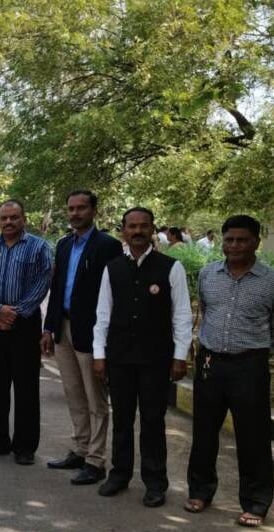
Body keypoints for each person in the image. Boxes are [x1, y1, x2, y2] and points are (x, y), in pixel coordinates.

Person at [185, 215, 274, 528]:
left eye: (242, 240)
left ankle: (256, 503)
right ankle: (200, 492)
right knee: (204, 432)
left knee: (253, 436)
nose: (235, 245)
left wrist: (260, 354)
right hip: (210, 363)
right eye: (230, 239)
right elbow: (206, 311)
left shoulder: (273, 282)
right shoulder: (208, 274)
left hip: (250, 366)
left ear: (256, 242)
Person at [92, 207, 193, 507]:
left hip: (155, 358)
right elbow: (103, 314)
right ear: (123, 230)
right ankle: (119, 474)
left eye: (143, 226)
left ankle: (155, 482)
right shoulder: (112, 268)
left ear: (152, 229)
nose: (137, 231)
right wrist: (99, 355)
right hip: (120, 356)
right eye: (131, 226)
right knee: (122, 419)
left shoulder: (171, 267)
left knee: (153, 421)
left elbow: (182, 315)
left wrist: (179, 355)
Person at [41, 190, 123, 484]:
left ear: (94, 210)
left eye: (81, 208)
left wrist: (106, 338)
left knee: (95, 397)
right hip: (63, 327)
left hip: (91, 331)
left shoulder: (109, 246)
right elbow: (57, 288)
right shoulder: (64, 245)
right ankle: (80, 448)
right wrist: (48, 328)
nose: (75, 213)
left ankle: (96, 460)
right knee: (74, 393)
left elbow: (114, 294)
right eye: (71, 208)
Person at [0, 200, 53, 465]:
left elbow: (42, 283)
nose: (8, 222)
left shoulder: (39, 247)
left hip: (25, 325)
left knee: (26, 386)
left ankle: (25, 446)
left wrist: (15, 313)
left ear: (24, 219)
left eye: (14, 217)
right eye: (4, 218)